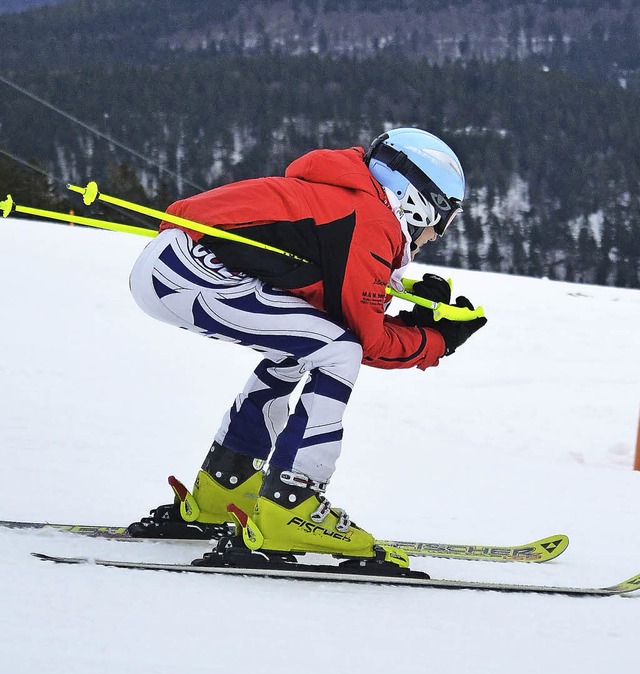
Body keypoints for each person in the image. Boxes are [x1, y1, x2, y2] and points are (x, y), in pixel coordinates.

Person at [127, 127, 487, 565]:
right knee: (340, 352)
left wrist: (401, 296)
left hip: (171, 265)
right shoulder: (371, 217)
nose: (435, 236)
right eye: (441, 222)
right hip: (188, 274)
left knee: (304, 348)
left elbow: (331, 289)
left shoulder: (347, 197)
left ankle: (226, 487)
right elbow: (366, 339)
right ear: (415, 201)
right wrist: (436, 340)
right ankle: (290, 506)